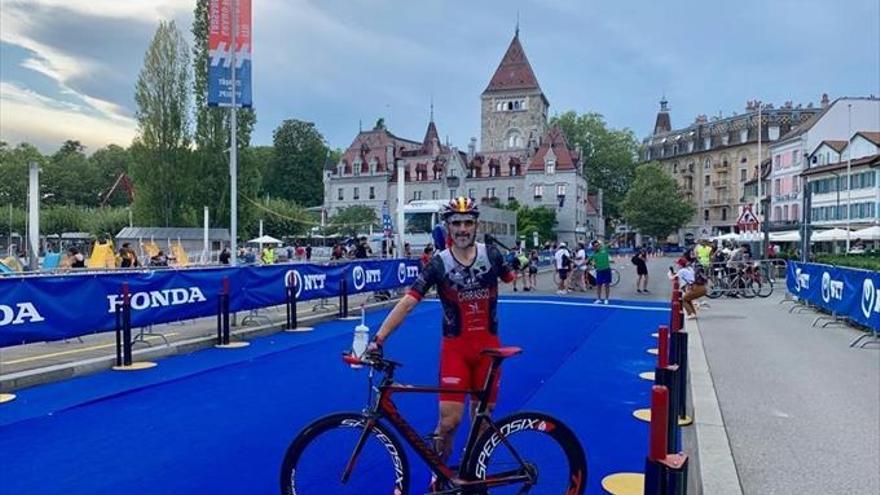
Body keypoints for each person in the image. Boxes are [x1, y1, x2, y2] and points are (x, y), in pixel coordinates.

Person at [370, 197, 515, 490]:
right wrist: (379, 338)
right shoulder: (439, 263)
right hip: (456, 350)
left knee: (483, 423)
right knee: (448, 423)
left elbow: (510, 277)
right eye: (456, 223)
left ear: (476, 225)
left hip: (489, 349)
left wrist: (514, 262)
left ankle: (475, 473)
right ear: (447, 226)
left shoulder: (491, 254)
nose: (462, 229)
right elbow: (408, 303)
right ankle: (440, 473)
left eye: (468, 223)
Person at [589, 240, 612, 304]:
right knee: (599, 285)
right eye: (595, 246)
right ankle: (599, 298)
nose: (597, 247)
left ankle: (606, 299)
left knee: (607, 285)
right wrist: (578, 266)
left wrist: (617, 237)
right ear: (593, 247)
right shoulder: (593, 254)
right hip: (599, 271)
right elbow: (586, 261)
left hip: (607, 269)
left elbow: (611, 242)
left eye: (598, 245)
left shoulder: (604, 249)